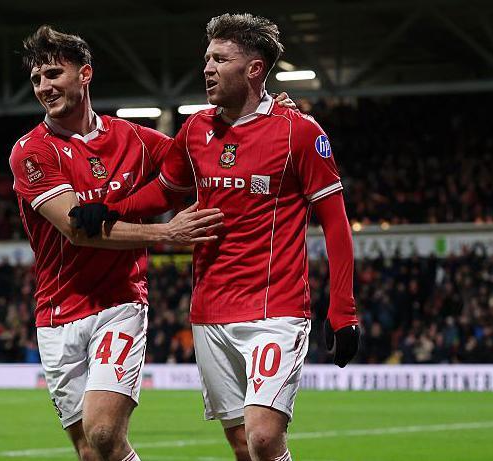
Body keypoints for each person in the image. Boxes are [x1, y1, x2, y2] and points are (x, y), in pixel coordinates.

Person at [73, 13, 360, 461]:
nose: (206, 68)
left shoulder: (299, 132)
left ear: (254, 69)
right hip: (209, 308)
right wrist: (110, 209)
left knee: (264, 436)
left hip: (275, 306)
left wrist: (342, 309)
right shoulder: (196, 131)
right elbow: (163, 191)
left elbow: (337, 224)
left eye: (220, 58)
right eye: (206, 57)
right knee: (243, 443)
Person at [10, 25, 225, 461]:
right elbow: (75, 229)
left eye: (53, 73)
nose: (44, 87)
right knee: (91, 451)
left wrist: (263, 109)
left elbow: (198, 157)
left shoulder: (135, 140)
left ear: (85, 73)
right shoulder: (32, 151)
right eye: (36, 79)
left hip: (119, 303)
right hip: (56, 312)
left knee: (104, 431)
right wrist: (167, 232)